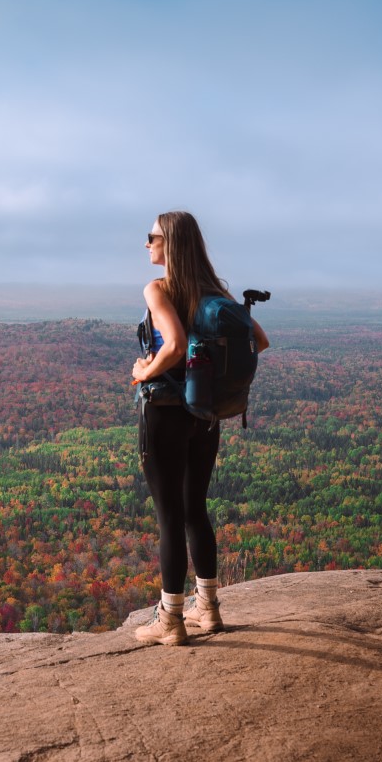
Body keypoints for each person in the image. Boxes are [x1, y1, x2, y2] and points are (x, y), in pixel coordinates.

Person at [130, 211, 269, 646]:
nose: (146, 245)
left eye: (151, 237)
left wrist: (143, 371)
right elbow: (259, 341)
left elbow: (171, 344)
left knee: (168, 515)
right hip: (206, 413)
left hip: (166, 411)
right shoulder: (215, 291)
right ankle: (207, 609)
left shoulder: (159, 289)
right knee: (195, 509)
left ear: (169, 242)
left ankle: (170, 619)